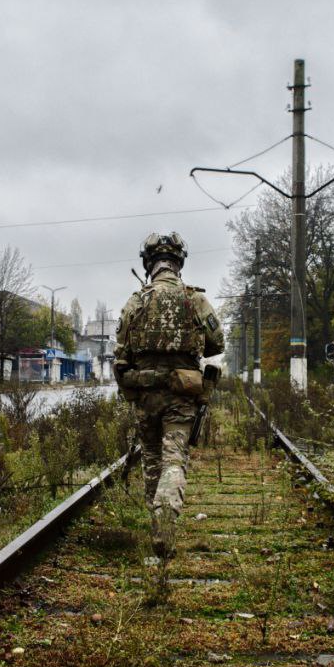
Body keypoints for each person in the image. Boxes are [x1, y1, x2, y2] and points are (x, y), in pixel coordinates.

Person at [115, 232, 224, 558]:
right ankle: (167, 518)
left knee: (151, 462)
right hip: (181, 396)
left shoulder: (135, 302)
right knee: (174, 459)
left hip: (146, 396)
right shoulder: (195, 300)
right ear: (179, 263)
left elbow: (122, 353)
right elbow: (217, 344)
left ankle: (156, 525)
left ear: (149, 263)